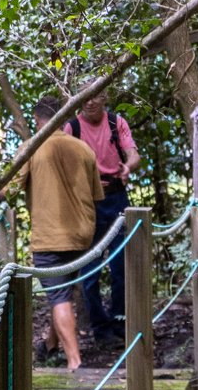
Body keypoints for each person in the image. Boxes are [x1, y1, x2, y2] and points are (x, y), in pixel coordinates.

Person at [25, 92, 101, 371]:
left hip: (49, 239)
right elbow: (96, 194)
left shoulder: (33, 147)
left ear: (37, 120)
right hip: (82, 235)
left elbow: (6, 189)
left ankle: (74, 361)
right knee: (64, 292)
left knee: (59, 297)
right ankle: (50, 345)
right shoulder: (83, 148)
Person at [67, 90, 139, 335]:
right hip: (88, 202)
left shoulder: (116, 122)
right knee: (90, 267)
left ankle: (120, 322)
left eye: (96, 96)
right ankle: (99, 326)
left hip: (117, 196)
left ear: (105, 98)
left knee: (121, 264)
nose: (90, 101)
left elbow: (133, 153)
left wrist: (127, 167)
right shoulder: (72, 127)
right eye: (85, 96)